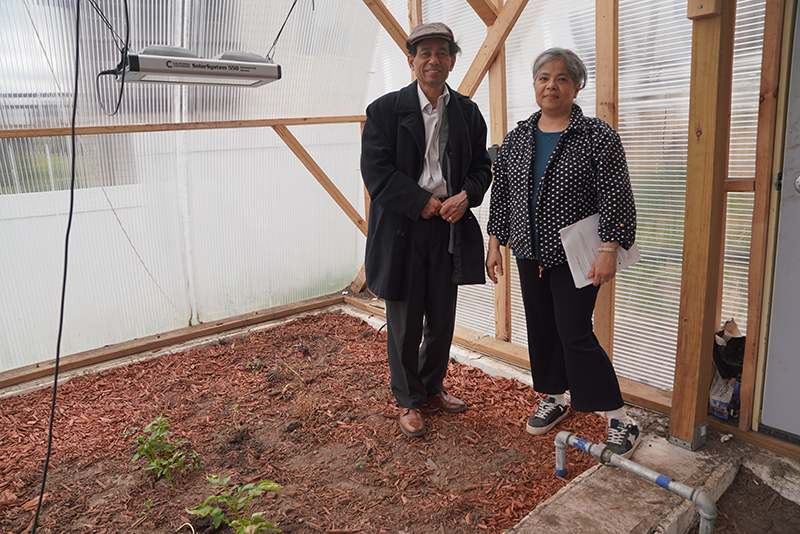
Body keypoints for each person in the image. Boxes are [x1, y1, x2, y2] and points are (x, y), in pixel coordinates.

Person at [485, 48, 640, 457]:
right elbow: (502, 194)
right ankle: (555, 396)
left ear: (576, 86)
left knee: (574, 332)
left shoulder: (596, 136)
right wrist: (495, 241)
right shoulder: (519, 137)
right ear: (534, 85)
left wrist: (610, 248)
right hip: (528, 252)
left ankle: (619, 418)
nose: (551, 85)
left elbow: (616, 196)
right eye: (543, 78)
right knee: (541, 326)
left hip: (579, 255)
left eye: (561, 79)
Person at [360, 22, 492, 438]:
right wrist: (422, 202)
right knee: (404, 319)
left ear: (452, 59)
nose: (433, 60)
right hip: (403, 227)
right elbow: (376, 173)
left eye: (441, 52)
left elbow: (481, 168)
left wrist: (465, 196)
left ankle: (432, 386)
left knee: (442, 314)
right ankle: (408, 399)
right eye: (424, 53)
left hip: (448, 225)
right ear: (411, 59)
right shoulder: (384, 111)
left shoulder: (467, 112)